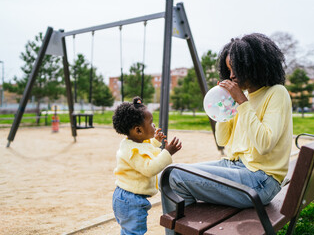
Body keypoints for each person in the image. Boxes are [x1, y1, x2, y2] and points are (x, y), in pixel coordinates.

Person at [161, 33, 293, 234]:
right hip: (236, 166)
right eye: (229, 70)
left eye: (236, 69)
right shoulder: (244, 96)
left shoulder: (276, 93)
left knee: (175, 176)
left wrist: (241, 102)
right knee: (169, 174)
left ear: (254, 64)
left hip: (261, 180)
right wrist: (223, 105)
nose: (232, 76)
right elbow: (222, 140)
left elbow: (264, 144)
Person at [112, 96, 182, 235]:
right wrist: (167, 152)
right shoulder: (133, 150)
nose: (154, 125)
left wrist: (155, 142)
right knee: (134, 232)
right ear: (138, 130)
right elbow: (150, 168)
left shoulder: (135, 143)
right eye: (151, 123)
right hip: (131, 200)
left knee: (129, 231)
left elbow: (146, 150)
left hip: (126, 197)